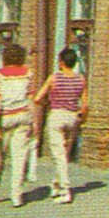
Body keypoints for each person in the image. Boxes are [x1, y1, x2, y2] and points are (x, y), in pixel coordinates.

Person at [0, 43, 34, 208]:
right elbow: (31, 99)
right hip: (23, 116)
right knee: (20, 157)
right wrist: (35, 121)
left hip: (5, 117)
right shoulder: (28, 73)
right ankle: (16, 195)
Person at [32, 47, 87, 204]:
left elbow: (37, 99)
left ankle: (65, 190)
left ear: (61, 62)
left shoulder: (53, 78)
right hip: (73, 117)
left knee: (59, 155)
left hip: (57, 116)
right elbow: (85, 105)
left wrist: (48, 104)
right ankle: (56, 184)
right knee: (65, 155)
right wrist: (82, 119)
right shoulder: (81, 79)